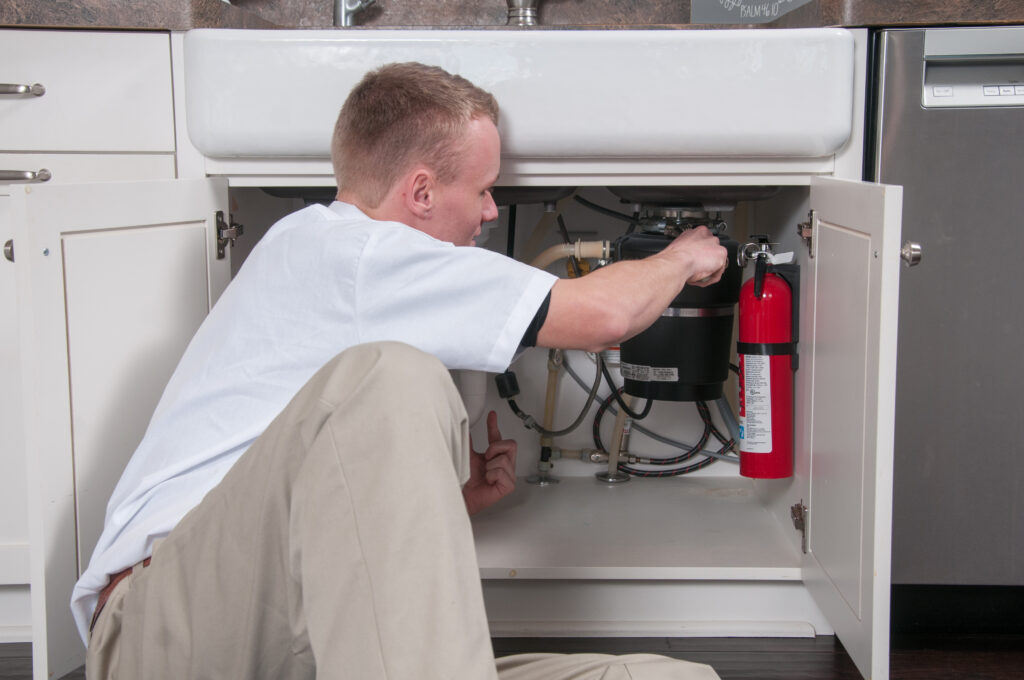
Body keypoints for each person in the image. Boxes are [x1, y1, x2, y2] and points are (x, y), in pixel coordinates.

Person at [76, 62, 728, 679]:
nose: (492, 211)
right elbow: (605, 316)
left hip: (291, 645)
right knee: (394, 376)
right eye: (483, 189)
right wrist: (682, 256)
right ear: (421, 191)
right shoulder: (353, 252)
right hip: (161, 634)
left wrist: (442, 498)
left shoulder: (336, 266)